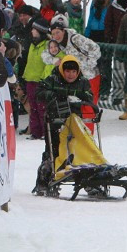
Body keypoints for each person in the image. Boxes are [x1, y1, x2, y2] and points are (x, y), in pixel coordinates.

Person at [33, 55, 95, 195]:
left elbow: (89, 96)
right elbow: (39, 93)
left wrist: (81, 98)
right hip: (55, 120)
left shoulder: (83, 82)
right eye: (67, 71)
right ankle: (44, 181)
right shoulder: (53, 79)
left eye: (74, 72)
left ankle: (89, 179)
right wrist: (56, 95)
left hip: (75, 121)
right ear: (62, 70)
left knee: (80, 149)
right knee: (53, 151)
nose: (70, 75)